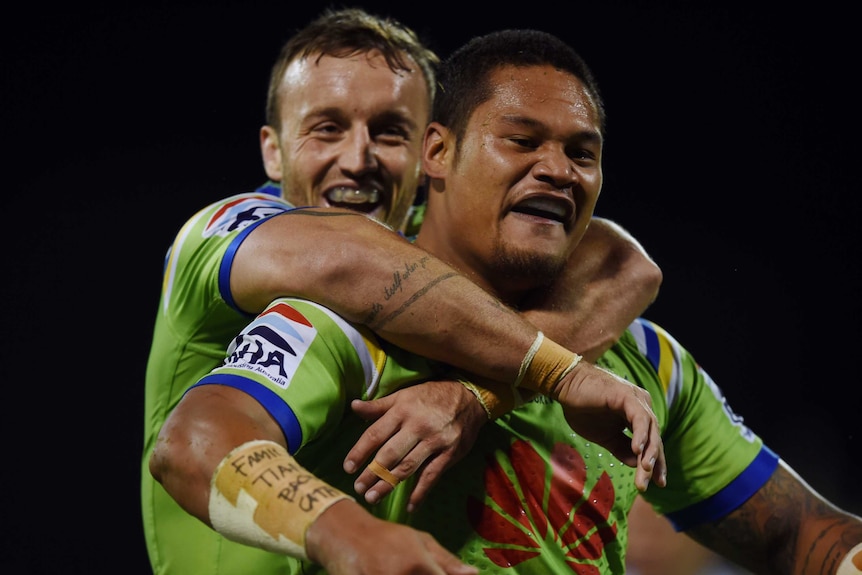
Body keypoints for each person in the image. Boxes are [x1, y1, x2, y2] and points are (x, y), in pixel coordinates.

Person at [150, 27, 862, 575]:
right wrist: (360, 536)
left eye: (582, 154)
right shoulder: (315, 305)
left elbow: (802, 533)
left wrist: (483, 391)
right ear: (442, 151)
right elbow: (193, 439)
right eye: (521, 140)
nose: (360, 159)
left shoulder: (639, 355)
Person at [142, 8, 667, 574]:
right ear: (273, 150)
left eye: (391, 132)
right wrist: (561, 373)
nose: (358, 159)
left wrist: (480, 396)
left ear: (430, 153)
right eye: (327, 127)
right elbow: (345, 258)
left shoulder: (426, 249)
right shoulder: (222, 234)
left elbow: (621, 264)